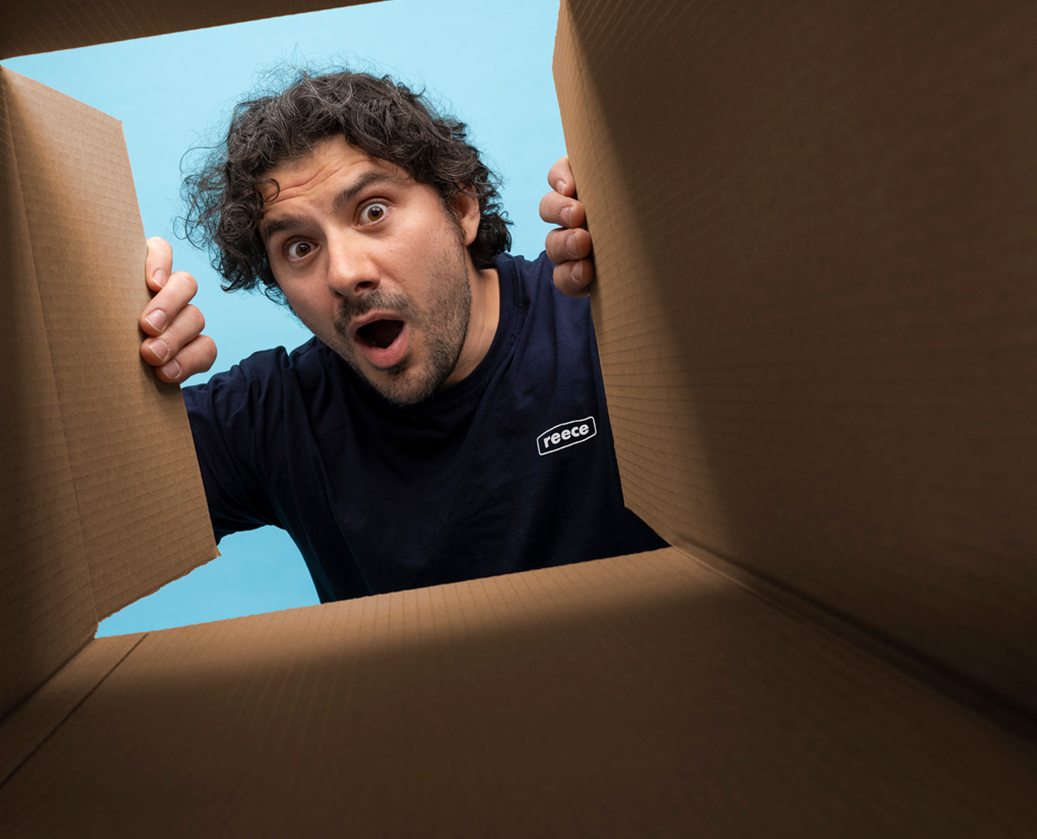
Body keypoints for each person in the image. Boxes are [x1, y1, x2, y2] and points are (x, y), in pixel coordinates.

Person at [138, 71, 665, 602]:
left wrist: (670, 239)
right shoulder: (275, 418)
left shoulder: (601, 315)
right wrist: (108, 340)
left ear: (460, 208)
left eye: (373, 212)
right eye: (299, 247)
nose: (343, 274)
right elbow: (80, 509)